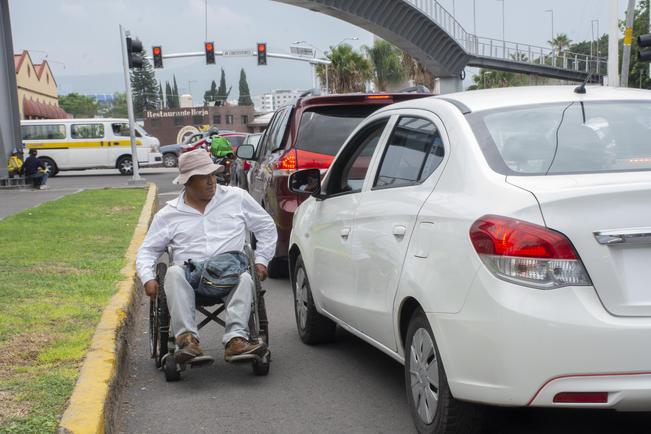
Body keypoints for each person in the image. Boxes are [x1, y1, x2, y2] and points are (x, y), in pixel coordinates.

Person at [136, 149, 277, 365]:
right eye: (204, 178)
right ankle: (187, 340)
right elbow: (147, 250)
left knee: (246, 277)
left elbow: (266, 226)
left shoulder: (236, 198)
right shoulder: (168, 214)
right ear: (187, 182)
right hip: (190, 279)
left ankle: (236, 340)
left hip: (230, 273)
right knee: (173, 272)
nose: (211, 181)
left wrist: (261, 260)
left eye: (212, 175)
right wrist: (148, 278)